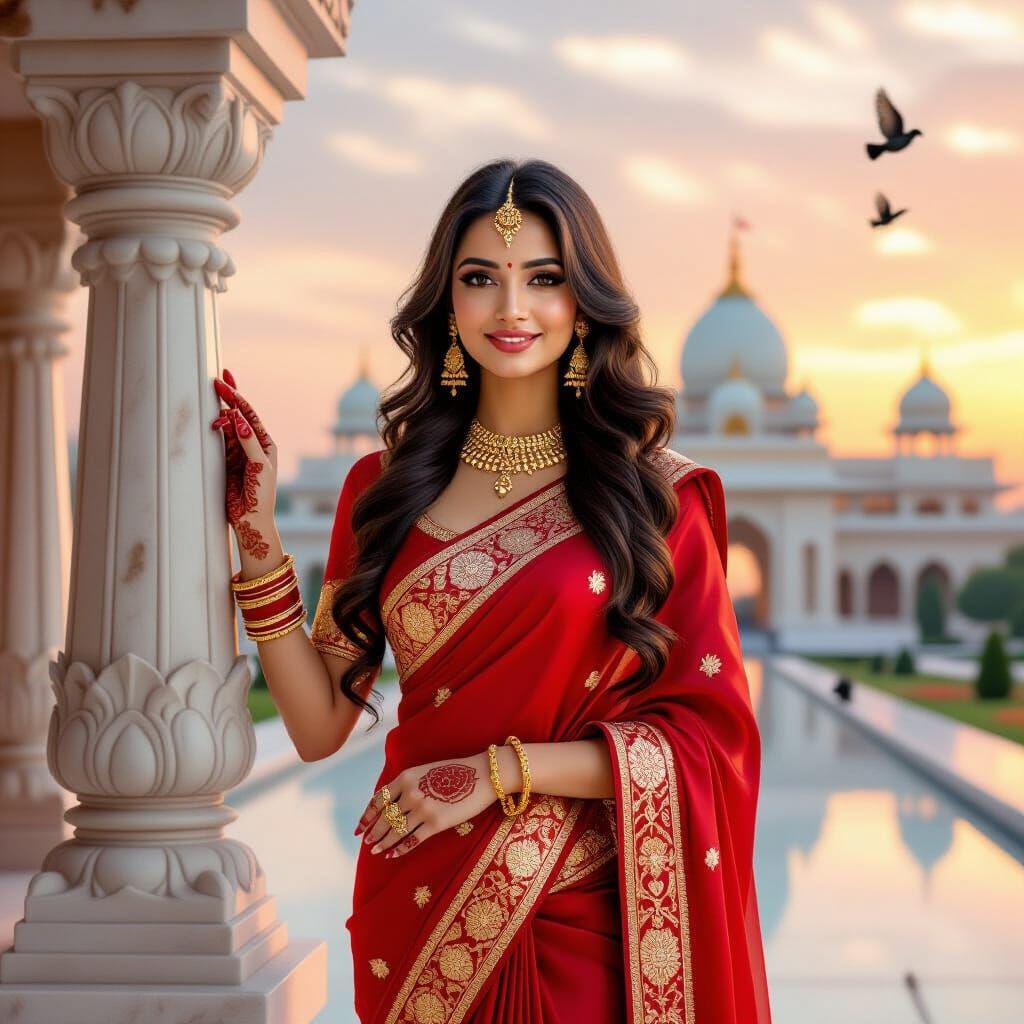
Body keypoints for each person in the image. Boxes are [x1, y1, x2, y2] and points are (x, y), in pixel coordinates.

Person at [211, 159, 772, 1023]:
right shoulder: (383, 488)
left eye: (543, 279)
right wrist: (256, 541)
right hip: (419, 907)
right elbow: (320, 726)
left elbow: (706, 739)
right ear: (447, 301)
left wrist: (496, 774)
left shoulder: (654, 499)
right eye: (481, 278)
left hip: (579, 920)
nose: (512, 309)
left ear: (584, 303)